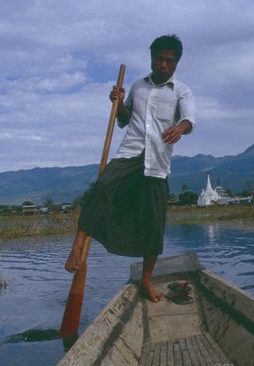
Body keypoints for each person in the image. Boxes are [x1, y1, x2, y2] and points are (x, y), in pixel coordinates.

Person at [64, 34, 196, 302]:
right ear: (151, 59)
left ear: (176, 64)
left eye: (169, 61)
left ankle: (146, 281)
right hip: (131, 153)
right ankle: (77, 248)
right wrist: (118, 102)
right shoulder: (138, 87)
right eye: (159, 59)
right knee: (102, 187)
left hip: (157, 162)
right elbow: (124, 119)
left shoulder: (181, 91)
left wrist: (179, 129)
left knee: (154, 224)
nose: (163, 64)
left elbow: (189, 120)